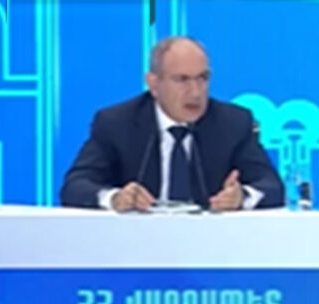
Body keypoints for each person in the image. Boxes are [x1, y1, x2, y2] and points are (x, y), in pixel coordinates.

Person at [60, 37, 284, 212]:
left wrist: (242, 197)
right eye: (182, 80)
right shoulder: (117, 123)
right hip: (137, 244)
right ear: (153, 84)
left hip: (213, 245)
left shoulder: (233, 123)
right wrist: (115, 198)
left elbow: (272, 186)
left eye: (203, 78)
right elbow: (75, 186)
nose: (195, 92)